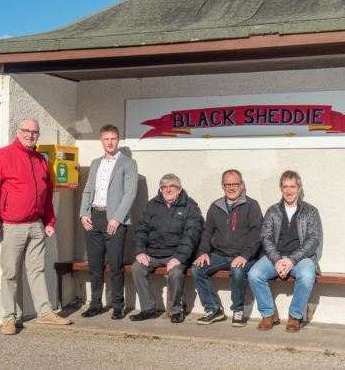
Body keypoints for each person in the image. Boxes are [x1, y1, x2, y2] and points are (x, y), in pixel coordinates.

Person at [0, 118, 72, 335]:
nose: (30, 135)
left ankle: (44, 312)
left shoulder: (41, 160)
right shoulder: (2, 157)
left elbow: (47, 196)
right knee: (10, 273)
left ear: (38, 135)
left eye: (34, 132)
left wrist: (49, 222)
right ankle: (8, 318)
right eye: (26, 131)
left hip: (36, 226)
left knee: (37, 270)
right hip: (12, 226)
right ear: (18, 132)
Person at [248, 170, 322, 333]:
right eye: (285, 187)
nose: (289, 191)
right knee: (254, 274)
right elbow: (265, 237)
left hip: (301, 258)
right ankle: (269, 314)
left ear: (299, 188)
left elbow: (313, 240)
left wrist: (291, 260)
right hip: (275, 256)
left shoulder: (310, 211)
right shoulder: (273, 211)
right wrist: (276, 260)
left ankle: (295, 316)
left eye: (292, 187)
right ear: (281, 188)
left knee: (307, 276)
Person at [79, 124, 138, 320]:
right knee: (94, 265)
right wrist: (83, 213)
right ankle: (95, 304)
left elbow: (130, 193)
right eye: (106, 139)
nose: (110, 142)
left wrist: (117, 218)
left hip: (114, 220)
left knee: (115, 265)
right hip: (94, 217)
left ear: (118, 140)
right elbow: (88, 189)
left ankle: (118, 306)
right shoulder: (96, 163)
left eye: (113, 138)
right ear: (101, 141)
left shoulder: (128, 163)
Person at [191, 169, 262, 327]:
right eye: (227, 184)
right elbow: (207, 231)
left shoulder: (252, 205)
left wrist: (244, 255)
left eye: (235, 184)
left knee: (237, 271)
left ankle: (238, 310)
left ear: (241, 185)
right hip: (220, 255)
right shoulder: (215, 206)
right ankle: (213, 309)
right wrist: (203, 253)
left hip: (245, 256)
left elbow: (257, 233)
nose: (231, 188)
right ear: (222, 186)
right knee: (197, 269)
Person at [130, 174, 203, 323]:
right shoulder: (152, 205)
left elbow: (191, 236)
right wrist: (140, 252)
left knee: (175, 274)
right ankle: (148, 309)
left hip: (176, 254)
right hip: (153, 253)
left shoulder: (190, 207)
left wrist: (179, 258)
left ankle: (176, 311)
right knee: (137, 268)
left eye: (172, 187)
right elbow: (141, 230)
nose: (168, 190)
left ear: (179, 188)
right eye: (164, 187)